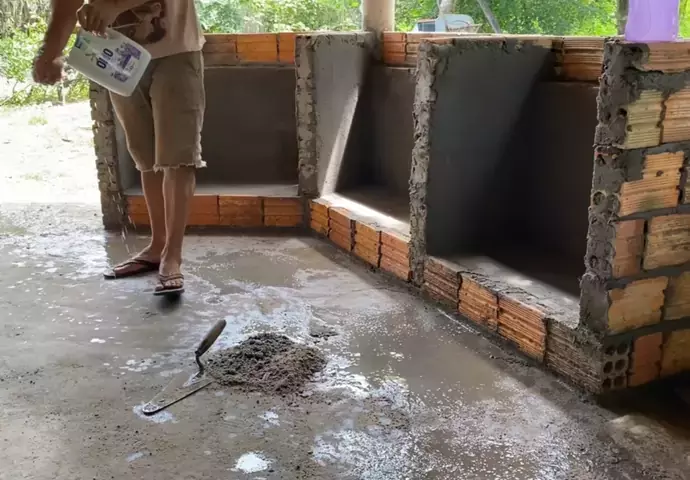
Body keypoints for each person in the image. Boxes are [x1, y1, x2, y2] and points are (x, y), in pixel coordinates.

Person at [33, 0, 206, 296]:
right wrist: (49, 53)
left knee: (178, 156)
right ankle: (157, 246)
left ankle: (172, 255)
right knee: (146, 157)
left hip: (176, 49)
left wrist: (114, 6)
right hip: (117, 52)